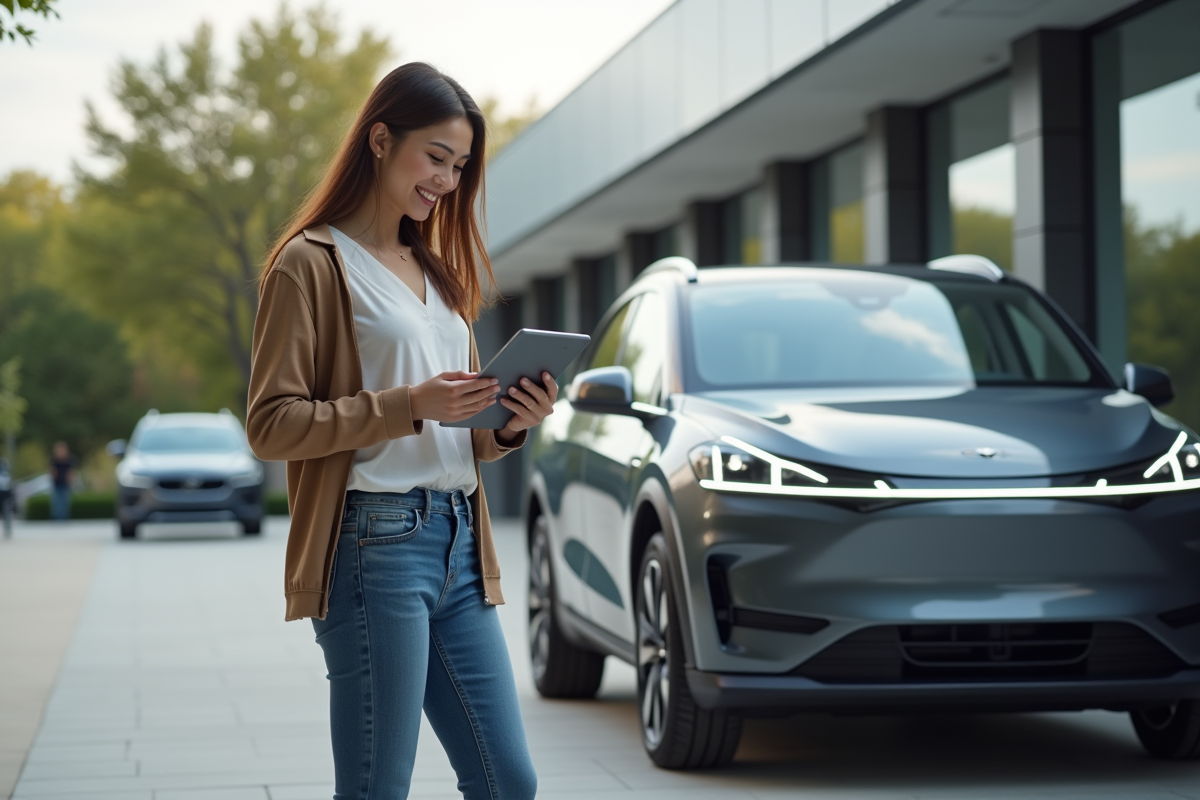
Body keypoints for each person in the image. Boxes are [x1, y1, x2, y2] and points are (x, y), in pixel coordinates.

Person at [247, 63, 547, 800]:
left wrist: (509, 426)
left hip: (458, 542)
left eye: (461, 166)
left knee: (508, 781)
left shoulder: (436, 272)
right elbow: (270, 424)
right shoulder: (309, 264)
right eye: (435, 157)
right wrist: (405, 403)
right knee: (379, 787)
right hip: (372, 546)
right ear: (380, 139)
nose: (447, 180)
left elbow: (461, 431)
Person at [49, 441, 76, 521]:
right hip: (57, 483)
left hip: (65, 483)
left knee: (65, 502)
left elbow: (71, 472)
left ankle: (64, 518)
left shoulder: (69, 459)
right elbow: (52, 471)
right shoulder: (54, 459)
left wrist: (71, 480)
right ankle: (56, 518)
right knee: (56, 502)